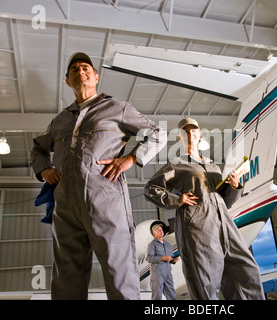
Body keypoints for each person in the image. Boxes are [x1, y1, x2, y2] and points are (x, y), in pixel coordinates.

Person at [30, 52, 166, 300]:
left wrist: (131, 158)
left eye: (85, 68)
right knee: (65, 279)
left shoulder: (117, 109)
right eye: (74, 70)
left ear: (95, 77)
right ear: (68, 82)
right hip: (66, 207)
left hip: (106, 202)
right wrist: (44, 169)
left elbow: (157, 133)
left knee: (119, 273)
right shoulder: (59, 121)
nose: (79, 71)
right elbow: (38, 147)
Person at [143, 118, 264, 300]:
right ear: (179, 137)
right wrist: (177, 199)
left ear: (200, 134)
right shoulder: (176, 164)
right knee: (205, 280)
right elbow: (150, 189)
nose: (190, 134)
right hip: (197, 225)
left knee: (246, 271)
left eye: (194, 130)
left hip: (224, 223)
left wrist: (234, 186)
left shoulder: (212, 165)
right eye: (185, 131)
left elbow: (224, 201)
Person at [146, 222, 179, 300]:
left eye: (161, 230)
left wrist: (173, 260)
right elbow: (149, 258)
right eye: (158, 230)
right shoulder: (152, 244)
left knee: (172, 295)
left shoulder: (168, 244)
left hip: (168, 273)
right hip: (157, 274)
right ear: (154, 233)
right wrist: (162, 258)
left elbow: (170, 258)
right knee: (157, 296)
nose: (161, 231)